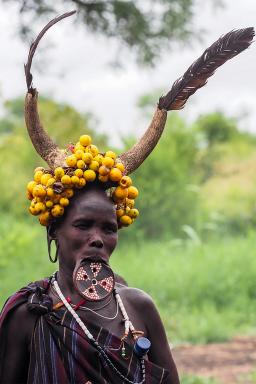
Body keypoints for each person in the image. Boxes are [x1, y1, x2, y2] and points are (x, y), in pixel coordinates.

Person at [0, 11, 253, 384]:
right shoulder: (29, 314)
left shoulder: (138, 307)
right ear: (54, 230)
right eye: (83, 225)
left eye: (109, 227)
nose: (99, 238)